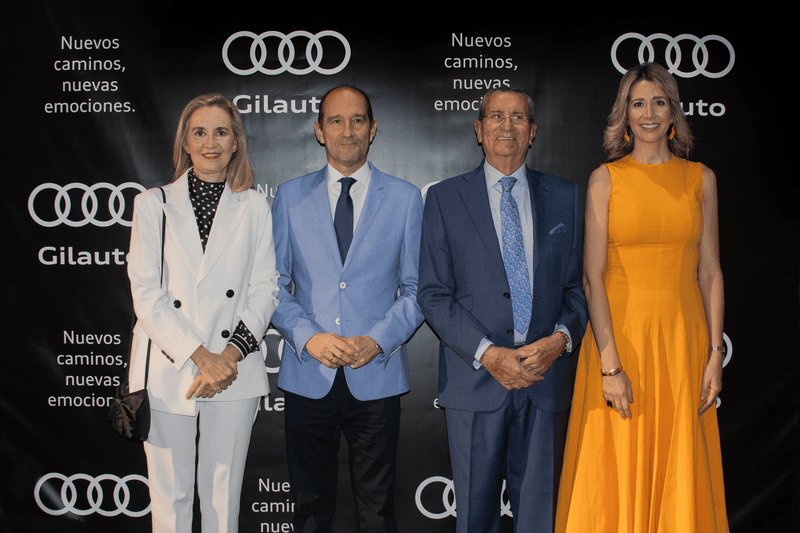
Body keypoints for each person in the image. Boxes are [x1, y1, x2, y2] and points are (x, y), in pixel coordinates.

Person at [555, 62, 728, 532]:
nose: (648, 113)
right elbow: (592, 279)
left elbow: (710, 272)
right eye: (638, 104)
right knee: (613, 468)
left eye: (658, 102)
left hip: (682, 346)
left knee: (679, 469)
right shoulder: (605, 179)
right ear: (624, 114)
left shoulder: (701, 179)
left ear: (673, 112)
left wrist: (714, 354)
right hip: (619, 345)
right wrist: (610, 365)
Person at [417, 88, 588, 533]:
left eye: (517, 117)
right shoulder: (444, 198)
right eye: (496, 116)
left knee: (541, 519)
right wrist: (490, 354)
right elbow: (433, 294)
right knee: (475, 518)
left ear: (532, 132)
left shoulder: (566, 196)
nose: (506, 126)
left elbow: (578, 288)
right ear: (479, 130)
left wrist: (559, 342)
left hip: (545, 380)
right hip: (475, 381)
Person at [270, 85, 424, 532]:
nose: (347, 130)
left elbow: (418, 289)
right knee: (310, 512)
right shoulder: (289, 197)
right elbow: (272, 287)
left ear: (373, 129)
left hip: (376, 375)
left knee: (377, 512)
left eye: (357, 120)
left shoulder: (405, 198)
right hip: (308, 375)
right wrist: (309, 338)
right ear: (320, 131)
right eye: (335, 121)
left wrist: (377, 340)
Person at [127, 93, 279, 532]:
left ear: (235, 143)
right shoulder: (152, 204)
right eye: (200, 132)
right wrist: (200, 356)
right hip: (169, 368)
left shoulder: (254, 206)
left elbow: (265, 289)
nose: (210, 143)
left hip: (234, 369)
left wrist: (227, 357)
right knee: (169, 499)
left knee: (222, 498)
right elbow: (146, 294)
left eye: (221, 132)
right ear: (185, 143)